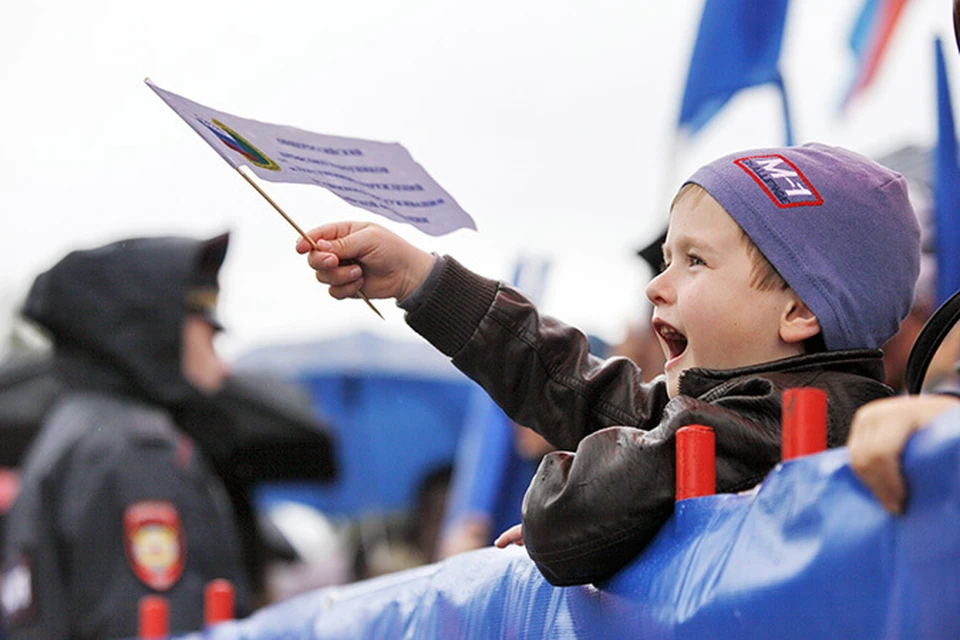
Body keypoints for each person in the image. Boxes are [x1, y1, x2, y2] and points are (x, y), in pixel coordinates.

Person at [297, 142, 920, 586]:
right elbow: (580, 389)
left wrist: (572, 519)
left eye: (695, 262)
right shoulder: (746, 410)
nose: (657, 286)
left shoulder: (792, 422)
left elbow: (582, 509)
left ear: (800, 311)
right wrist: (422, 279)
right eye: (668, 259)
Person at [1, 234, 253, 638]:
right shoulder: (137, 451)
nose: (224, 367)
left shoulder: (74, 430)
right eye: (210, 332)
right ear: (157, 330)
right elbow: (164, 627)